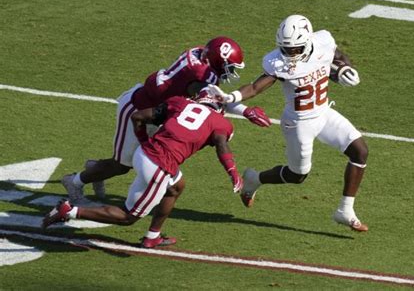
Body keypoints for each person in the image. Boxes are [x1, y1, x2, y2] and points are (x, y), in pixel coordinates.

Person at [62, 36, 271, 206]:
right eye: (229, 67)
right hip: (138, 109)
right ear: (216, 60)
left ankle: (96, 169)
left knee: (138, 159)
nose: (231, 72)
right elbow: (216, 98)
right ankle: (75, 181)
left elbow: (213, 96)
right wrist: (245, 110)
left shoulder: (199, 54)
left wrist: (244, 111)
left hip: (156, 110)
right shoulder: (204, 75)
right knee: (123, 165)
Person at [209, 15, 369, 232]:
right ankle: (255, 179)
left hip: (323, 113)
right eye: (286, 48)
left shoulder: (323, 41)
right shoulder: (277, 62)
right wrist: (232, 97)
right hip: (298, 123)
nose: (289, 54)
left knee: (360, 151)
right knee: (298, 175)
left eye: (294, 48)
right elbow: (256, 87)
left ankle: (345, 210)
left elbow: (335, 57)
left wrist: (343, 69)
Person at [43, 90, 243, 247]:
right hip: (159, 166)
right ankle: (69, 211)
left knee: (176, 186)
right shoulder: (220, 122)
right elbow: (221, 146)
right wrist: (233, 173)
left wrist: (143, 141)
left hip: (144, 153)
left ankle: (152, 236)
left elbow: (138, 116)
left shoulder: (181, 103)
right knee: (128, 216)